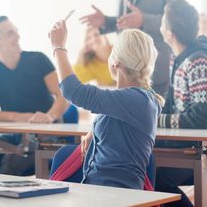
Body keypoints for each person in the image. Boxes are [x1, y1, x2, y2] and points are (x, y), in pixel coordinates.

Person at [49, 20, 164, 189]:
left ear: (115, 62)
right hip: (99, 189)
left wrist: (58, 47)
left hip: (115, 193)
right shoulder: (137, 98)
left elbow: (73, 91)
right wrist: (94, 131)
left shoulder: (137, 99)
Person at [0, 16, 69, 174]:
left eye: (16, 32)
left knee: (11, 165)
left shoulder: (38, 60)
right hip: (14, 134)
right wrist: (17, 116)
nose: (18, 36)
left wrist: (49, 116)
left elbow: (64, 95)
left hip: (46, 133)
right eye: (11, 33)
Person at [155, 0, 207, 207]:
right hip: (185, 145)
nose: (160, 26)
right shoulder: (180, 59)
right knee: (143, 169)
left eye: (163, 23)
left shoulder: (200, 61)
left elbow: (201, 119)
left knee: (155, 178)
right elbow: (169, 105)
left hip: (204, 150)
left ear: (169, 33)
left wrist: (158, 120)